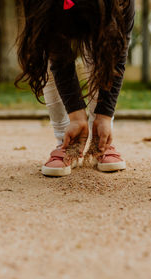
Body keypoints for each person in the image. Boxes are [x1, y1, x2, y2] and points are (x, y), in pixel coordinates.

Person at [16, 0, 135, 176]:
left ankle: (100, 142)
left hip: (107, 14)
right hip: (49, 8)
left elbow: (117, 55)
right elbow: (58, 57)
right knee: (46, 55)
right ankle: (65, 142)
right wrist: (76, 118)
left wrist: (104, 116)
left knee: (105, 48)